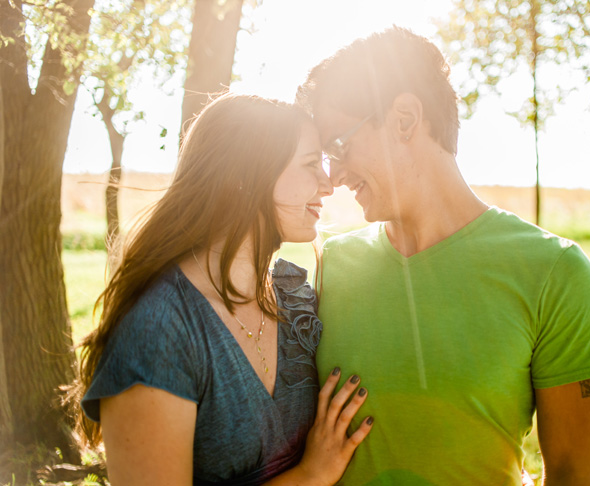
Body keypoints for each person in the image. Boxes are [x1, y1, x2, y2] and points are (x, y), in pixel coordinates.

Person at [296, 27, 590, 485]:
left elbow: (573, 472)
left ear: (404, 119)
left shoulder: (554, 273)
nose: (334, 175)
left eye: (339, 146)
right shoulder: (326, 266)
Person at [70, 93, 373, 486]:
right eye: (311, 164)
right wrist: (311, 475)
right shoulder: (160, 329)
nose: (328, 184)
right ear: (244, 178)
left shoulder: (296, 298)